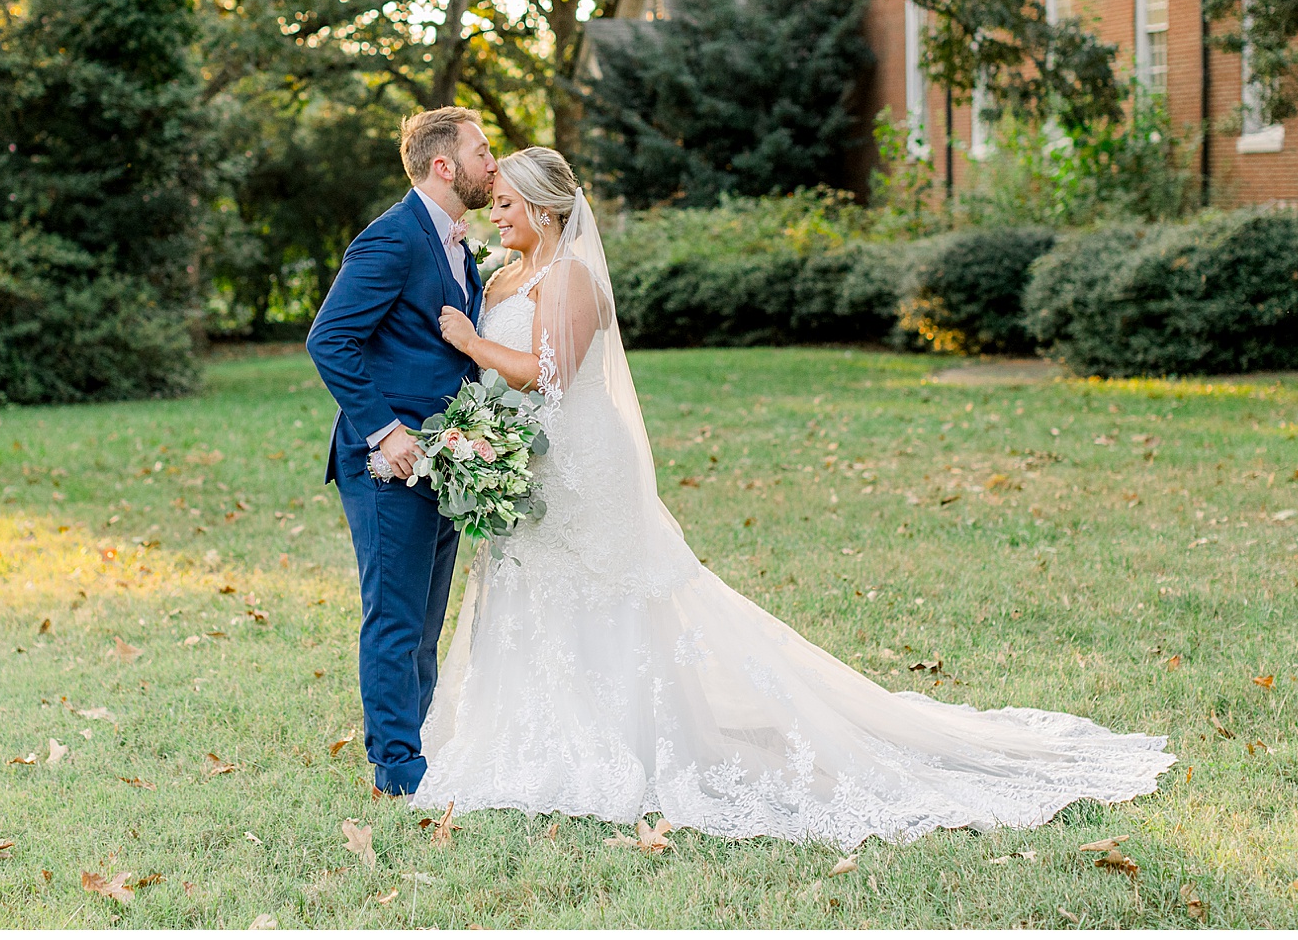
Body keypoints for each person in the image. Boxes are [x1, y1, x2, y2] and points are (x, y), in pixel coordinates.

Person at [416, 145, 1175, 850]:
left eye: (508, 204)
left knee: (607, 591)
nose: (497, 215)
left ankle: (625, 738)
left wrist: (472, 341)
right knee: (533, 589)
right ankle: (541, 731)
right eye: (497, 204)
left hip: (583, 464)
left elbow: (549, 373)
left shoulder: (571, 277)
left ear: (545, 209)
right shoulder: (501, 276)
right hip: (526, 465)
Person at [305, 106, 497, 799]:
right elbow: (329, 339)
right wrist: (385, 430)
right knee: (394, 616)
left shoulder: (455, 243)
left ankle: (416, 746)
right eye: (482, 151)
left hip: (442, 459)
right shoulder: (392, 237)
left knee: (423, 621)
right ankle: (397, 769)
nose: (493, 163)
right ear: (444, 165)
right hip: (388, 465)